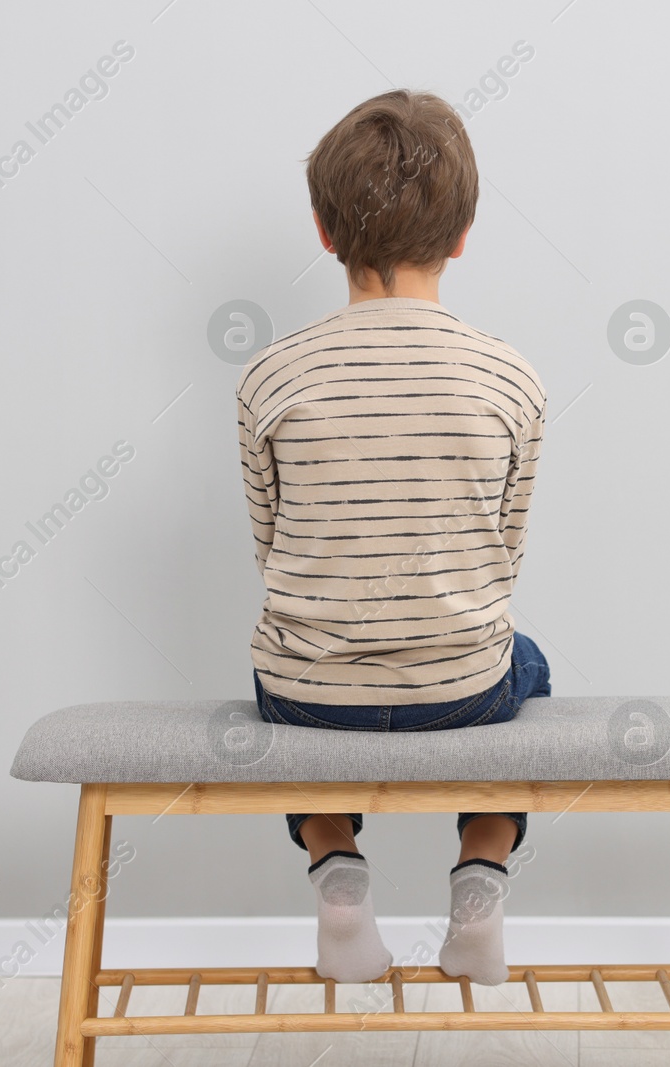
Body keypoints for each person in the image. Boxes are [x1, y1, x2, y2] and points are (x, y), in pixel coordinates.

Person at [236, 89, 549, 986]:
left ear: (325, 232)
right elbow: (503, 552)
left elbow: (273, 545)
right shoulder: (510, 376)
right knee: (532, 660)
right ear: (461, 236)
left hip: (307, 695)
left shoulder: (269, 375)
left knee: (277, 660)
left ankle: (335, 862)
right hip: (462, 687)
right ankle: (482, 867)